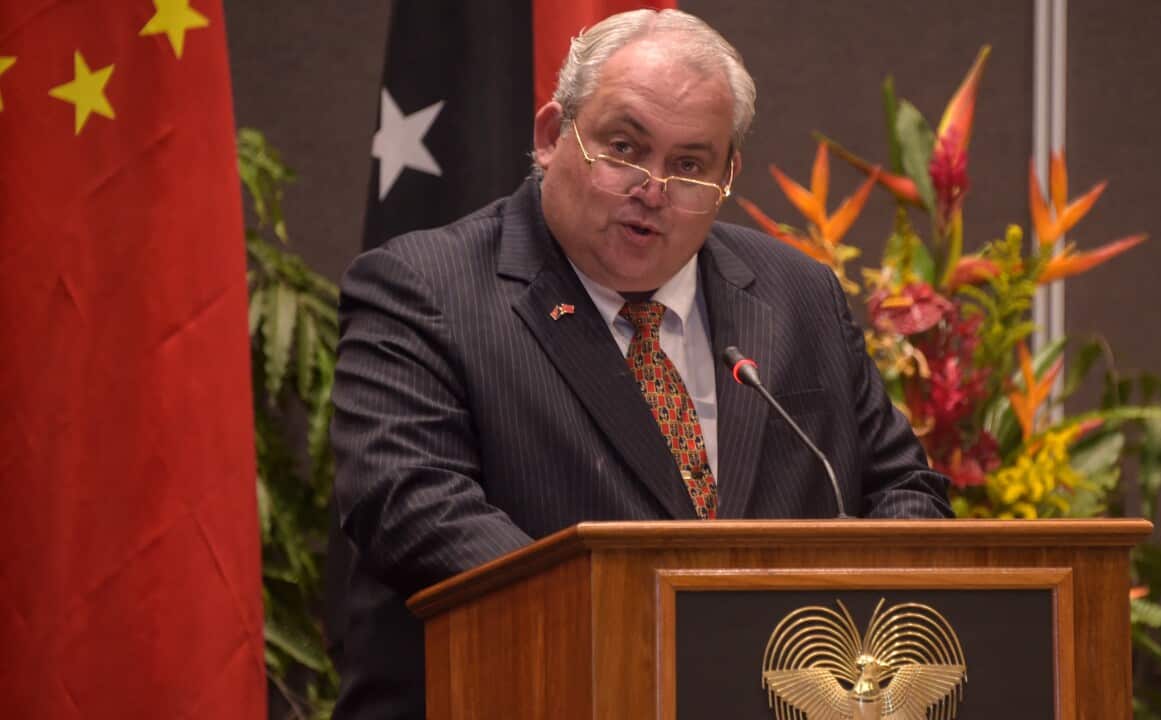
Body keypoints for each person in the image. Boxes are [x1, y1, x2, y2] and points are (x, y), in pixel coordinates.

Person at [328, 8, 952, 718]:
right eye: (624, 147)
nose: (651, 190)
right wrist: (655, 629)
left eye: (689, 165)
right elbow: (412, 509)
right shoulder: (423, 288)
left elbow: (906, 492)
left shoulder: (797, 295)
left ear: (727, 177)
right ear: (552, 135)